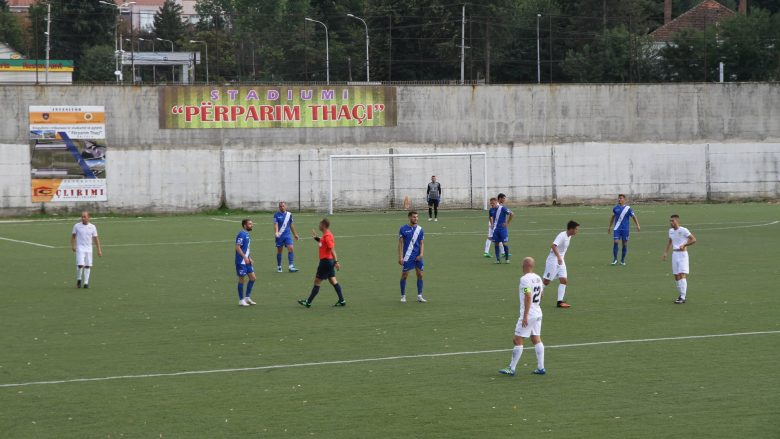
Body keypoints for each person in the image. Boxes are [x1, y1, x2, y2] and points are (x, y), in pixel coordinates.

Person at [499, 257, 546, 377]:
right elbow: (541, 294)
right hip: (538, 312)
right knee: (536, 338)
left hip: (529, 313)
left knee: (517, 339)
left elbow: (528, 296)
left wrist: (525, 316)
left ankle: (512, 368)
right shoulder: (538, 278)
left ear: (525, 265)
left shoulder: (524, 280)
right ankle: (541, 367)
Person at [298, 218, 345, 307]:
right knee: (333, 280)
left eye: (320, 224)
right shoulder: (325, 235)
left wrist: (336, 261)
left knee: (317, 281)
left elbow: (332, 249)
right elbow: (323, 242)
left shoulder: (327, 236)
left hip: (326, 262)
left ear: (323, 226)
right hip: (328, 262)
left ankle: (308, 302)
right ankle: (342, 300)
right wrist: (316, 238)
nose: (318, 225)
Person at [543, 220, 580, 308]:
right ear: (571, 229)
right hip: (553, 261)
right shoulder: (562, 235)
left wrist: (560, 258)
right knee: (546, 282)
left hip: (560, 261)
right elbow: (553, 246)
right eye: (576, 229)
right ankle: (533, 294)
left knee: (564, 281)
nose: (577, 231)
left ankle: (559, 302)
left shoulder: (569, 236)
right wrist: (559, 257)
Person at [662, 214, 696, 304]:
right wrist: (666, 252)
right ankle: (680, 294)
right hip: (675, 254)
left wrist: (684, 245)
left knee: (681, 274)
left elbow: (693, 239)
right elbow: (670, 242)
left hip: (683, 255)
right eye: (670, 221)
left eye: (672, 221)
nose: (671, 222)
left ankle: (683, 296)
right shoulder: (670, 231)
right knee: (676, 276)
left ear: (677, 221)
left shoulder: (684, 230)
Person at [398, 211, 427, 303]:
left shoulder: (420, 229)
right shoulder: (403, 229)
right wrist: (400, 257)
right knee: (404, 275)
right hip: (407, 256)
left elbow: (422, 243)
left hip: (417, 256)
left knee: (420, 275)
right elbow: (400, 244)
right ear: (409, 218)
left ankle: (419, 296)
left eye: (417, 217)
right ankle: (403, 296)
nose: (416, 219)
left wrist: (421, 254)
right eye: (414, 217)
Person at [70, 211, 102, 289]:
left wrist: (99, 250)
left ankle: (86, 283)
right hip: (80, 248)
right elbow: (73, 236)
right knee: (80, 265)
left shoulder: (93, 227)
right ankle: (79, 279)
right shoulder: (77, 226)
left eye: (84, 217)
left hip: (89, 249)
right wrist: (73, 246)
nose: (83, 218)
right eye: (82, 216)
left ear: (88, 217)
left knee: (87, 266)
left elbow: (96, 239)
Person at [607, 194, 640, 265]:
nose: (619, 199)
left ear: (624, 200)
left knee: (624, 244)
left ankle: (622, 260)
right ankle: (615, 259)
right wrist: (609, 227)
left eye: (621, 198)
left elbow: (634, 216)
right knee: (616, 242)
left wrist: (637, 225)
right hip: (617, 228)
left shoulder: (628, 208)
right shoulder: (615, 208)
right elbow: (613, 217)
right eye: (618, 198)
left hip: (625, 229)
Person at [235, 219, 256, 307]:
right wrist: (244, 257)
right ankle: (241, 300)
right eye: (250, 224)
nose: (252, 225)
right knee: (242, 279)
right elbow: (238, 247)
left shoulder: (247, 234)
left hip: (247, 260)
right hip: (241, 261)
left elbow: (246, 248)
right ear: (245, 225)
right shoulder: (241, 234)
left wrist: (249, 257)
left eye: (251, 224)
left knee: (253, 278)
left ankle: (247, 297)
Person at [273, 201, 300, 273]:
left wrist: (295, 234)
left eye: (283, 206)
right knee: (279, 251)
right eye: (280, 206)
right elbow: (275, 224)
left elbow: (291, 225)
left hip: (287, 235)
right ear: (279, 207)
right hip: (280, 236)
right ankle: (279, 266)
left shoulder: (289, 214)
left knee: (291, 248)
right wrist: (276, 232)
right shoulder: (276, 215)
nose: (282, 207)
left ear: (285, 206)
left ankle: (291, 266)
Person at [489, 193, 514, 264]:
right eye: (491, 203)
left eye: (493, 203)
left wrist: (507, 223)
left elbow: (512, 214)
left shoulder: (502, 208)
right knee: (496, 244)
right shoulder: (491, 210)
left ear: (496, 202)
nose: (492, 205)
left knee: (504, 244)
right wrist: (492, 224)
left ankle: (507, 259)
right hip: (495, 230)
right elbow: (490, 217)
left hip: (502, 230)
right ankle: (498, 259)